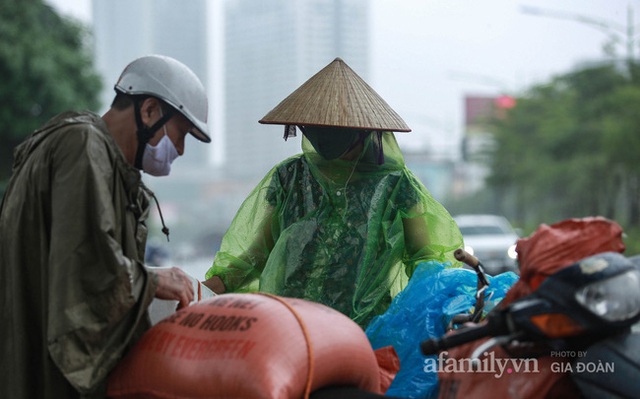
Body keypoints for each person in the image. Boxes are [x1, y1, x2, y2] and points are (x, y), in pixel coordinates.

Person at [0, 54, 210, 398]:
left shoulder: (106, 162)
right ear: (150, 111)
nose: (182, 150)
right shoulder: (82, 146)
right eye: (182, 134)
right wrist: (155, 280)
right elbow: (86, 268)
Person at [203, 57, 463, 328]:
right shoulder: (290, 177)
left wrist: (444, 306)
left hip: (364, 331)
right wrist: (207, 289)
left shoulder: (397, 186)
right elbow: (256, 254)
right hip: (292, 326)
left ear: (362, 131)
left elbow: (427, 262)